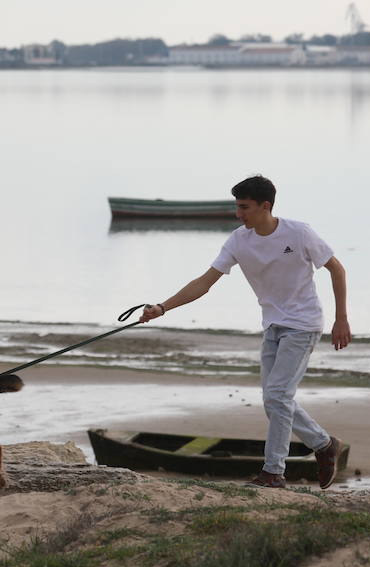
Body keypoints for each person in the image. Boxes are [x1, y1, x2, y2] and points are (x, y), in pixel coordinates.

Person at [140, 175, 350, 489]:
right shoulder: (239, 240)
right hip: (272, 325)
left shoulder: (299, 233)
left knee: (277, 396)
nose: (238, 214)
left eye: (244, 207)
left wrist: (341, 319)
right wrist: (163, 307)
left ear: (265, 206)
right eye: (237, 207)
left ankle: (274, 472)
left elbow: (337, 268)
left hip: (304, 324)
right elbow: (205, 282)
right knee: (274, 400)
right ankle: (323, 444)